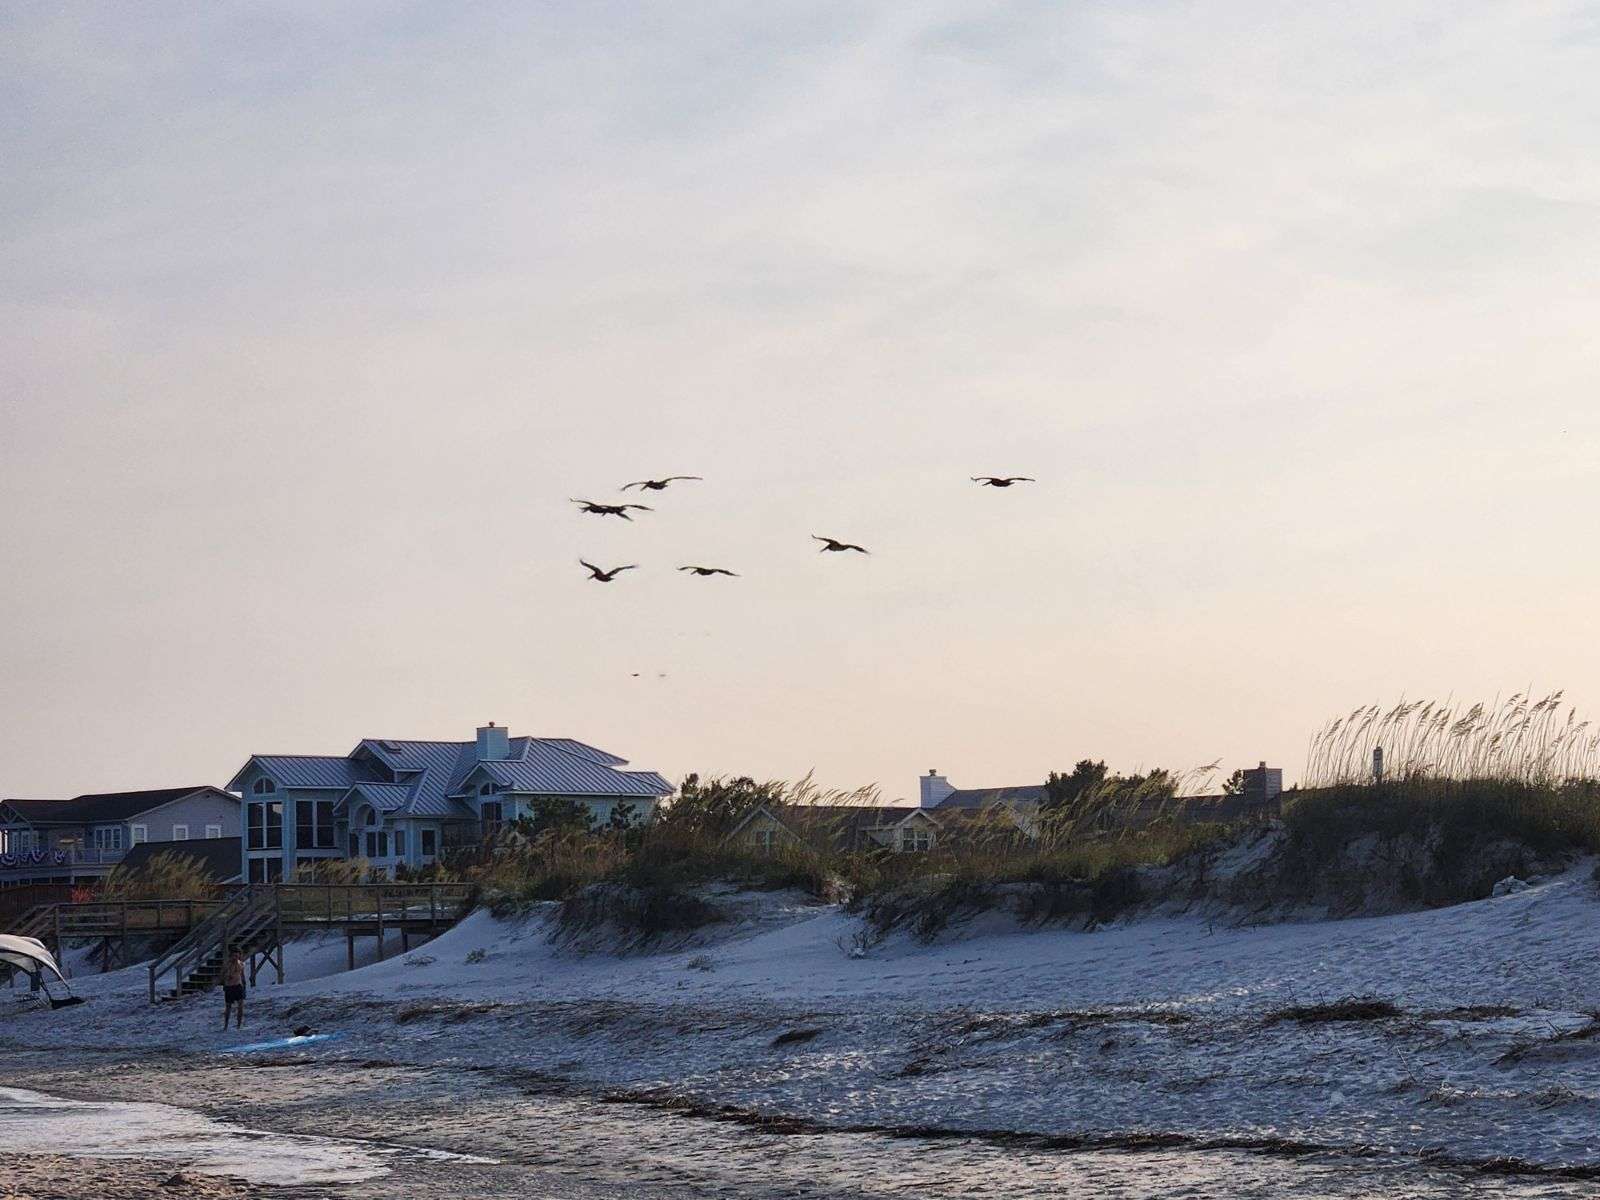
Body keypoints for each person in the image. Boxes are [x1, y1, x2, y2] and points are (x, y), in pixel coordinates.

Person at [222, 949, 246, 1030]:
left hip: (238, 986)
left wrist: (244, 984)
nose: (235, 957)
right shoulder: (228, 965)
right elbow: (224, 975)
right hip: (229, 986)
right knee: (228, 1007)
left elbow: (242, 974)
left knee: (241, 1006)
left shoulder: (241, 964)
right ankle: (226, 1025)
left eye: (237, 956)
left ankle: (239, 1025)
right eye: (234, 956)